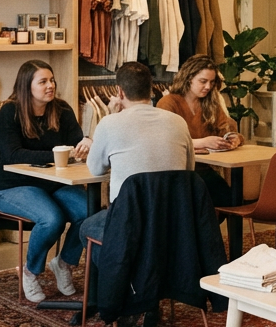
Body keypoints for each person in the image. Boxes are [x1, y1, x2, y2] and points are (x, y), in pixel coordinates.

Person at [0, 60, 92, 303]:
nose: (51, 86)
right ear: (27, 86)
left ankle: (64, 263)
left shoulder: (63, 110)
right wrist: (59, 154)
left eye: (52, 80)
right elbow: (12, 155)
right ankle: (30, 271)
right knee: (51, 219)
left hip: (56, 183)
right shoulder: (10, 111)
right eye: (43, 82)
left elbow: (76, 144)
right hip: (14, 186)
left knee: (90, 212)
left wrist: (86, 144)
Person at [81, 61, 194, 248]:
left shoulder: (109, 124)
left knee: (87, 227)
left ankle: (118, 274)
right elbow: (188, 170)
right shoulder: (178, 122)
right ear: (151, 90)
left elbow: (95, 169)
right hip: (174, 218)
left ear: (119, 92)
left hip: (129, 220)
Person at [157, 55, 244, 208]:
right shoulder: (168, 103)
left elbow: (226, 126)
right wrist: (202, 142)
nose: (208, 87)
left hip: (204, 169)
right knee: (206, 204)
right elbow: (164, 143)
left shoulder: (210, 103)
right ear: (189, 78)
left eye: (211, 82)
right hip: (179, 172)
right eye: (203, 81)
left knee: (231, 200)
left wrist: (232, 137)